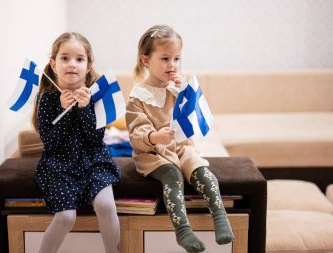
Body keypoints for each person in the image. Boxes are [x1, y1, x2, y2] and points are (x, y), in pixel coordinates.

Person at [126, 25, 234, 253]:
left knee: (202, 171)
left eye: (176, 58)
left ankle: (220, 216)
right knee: (172, 175)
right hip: (153, 153)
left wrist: (183, 95)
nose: (172, 64)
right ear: (146, 60)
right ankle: (183, 230)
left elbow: (191, 122)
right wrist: (155, 136)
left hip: (181, 148)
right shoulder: (138, 96)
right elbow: (136, 135)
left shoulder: (177, 88)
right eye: (165, 58)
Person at [31, 32, 121, 253]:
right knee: (65, 217)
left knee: (106, 205)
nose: (72, 64)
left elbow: (95, 139)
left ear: (88, 66)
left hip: (93, 160)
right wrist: (64, 110)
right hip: (60, 164)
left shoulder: (94, 95)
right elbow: (51, 143)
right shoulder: (46, 98)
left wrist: (84, 109)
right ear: (53, 64)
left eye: (79, 59)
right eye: (65, 58)